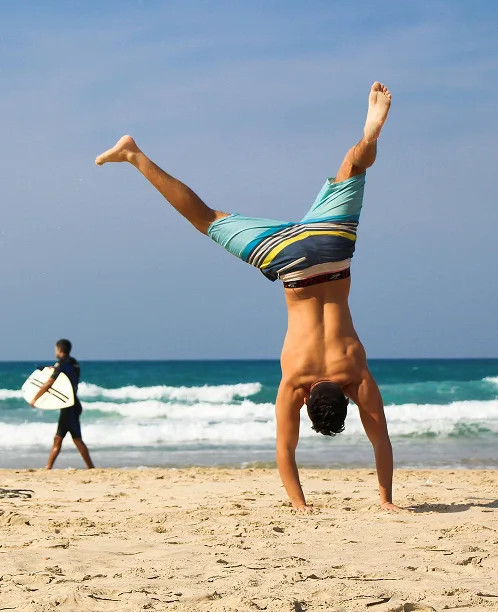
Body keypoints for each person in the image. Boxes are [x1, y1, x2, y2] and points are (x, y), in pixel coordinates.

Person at [96, 82, 399, 512]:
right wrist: (300, 503)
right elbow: (286, 449)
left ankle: (368, 136)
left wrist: (386, 499)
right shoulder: (297, 381)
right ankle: (133, 155)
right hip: (289, 264)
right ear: (308, 401)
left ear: (345, 399)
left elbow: (381, 440)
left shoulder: (356, 374)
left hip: (331, 249)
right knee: (206, 218)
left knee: (354, 166)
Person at [30, 339, 95, 470]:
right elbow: (66, 377)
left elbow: (49, 383)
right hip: (72, 404)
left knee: (76, 438)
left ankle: (91, 468)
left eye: (55, 349)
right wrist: (51, 368)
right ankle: (48, 467)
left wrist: (35, 398)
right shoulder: (73, 363)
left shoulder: (62, 364)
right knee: (59, 438)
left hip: (69, 407)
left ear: (59, 349)